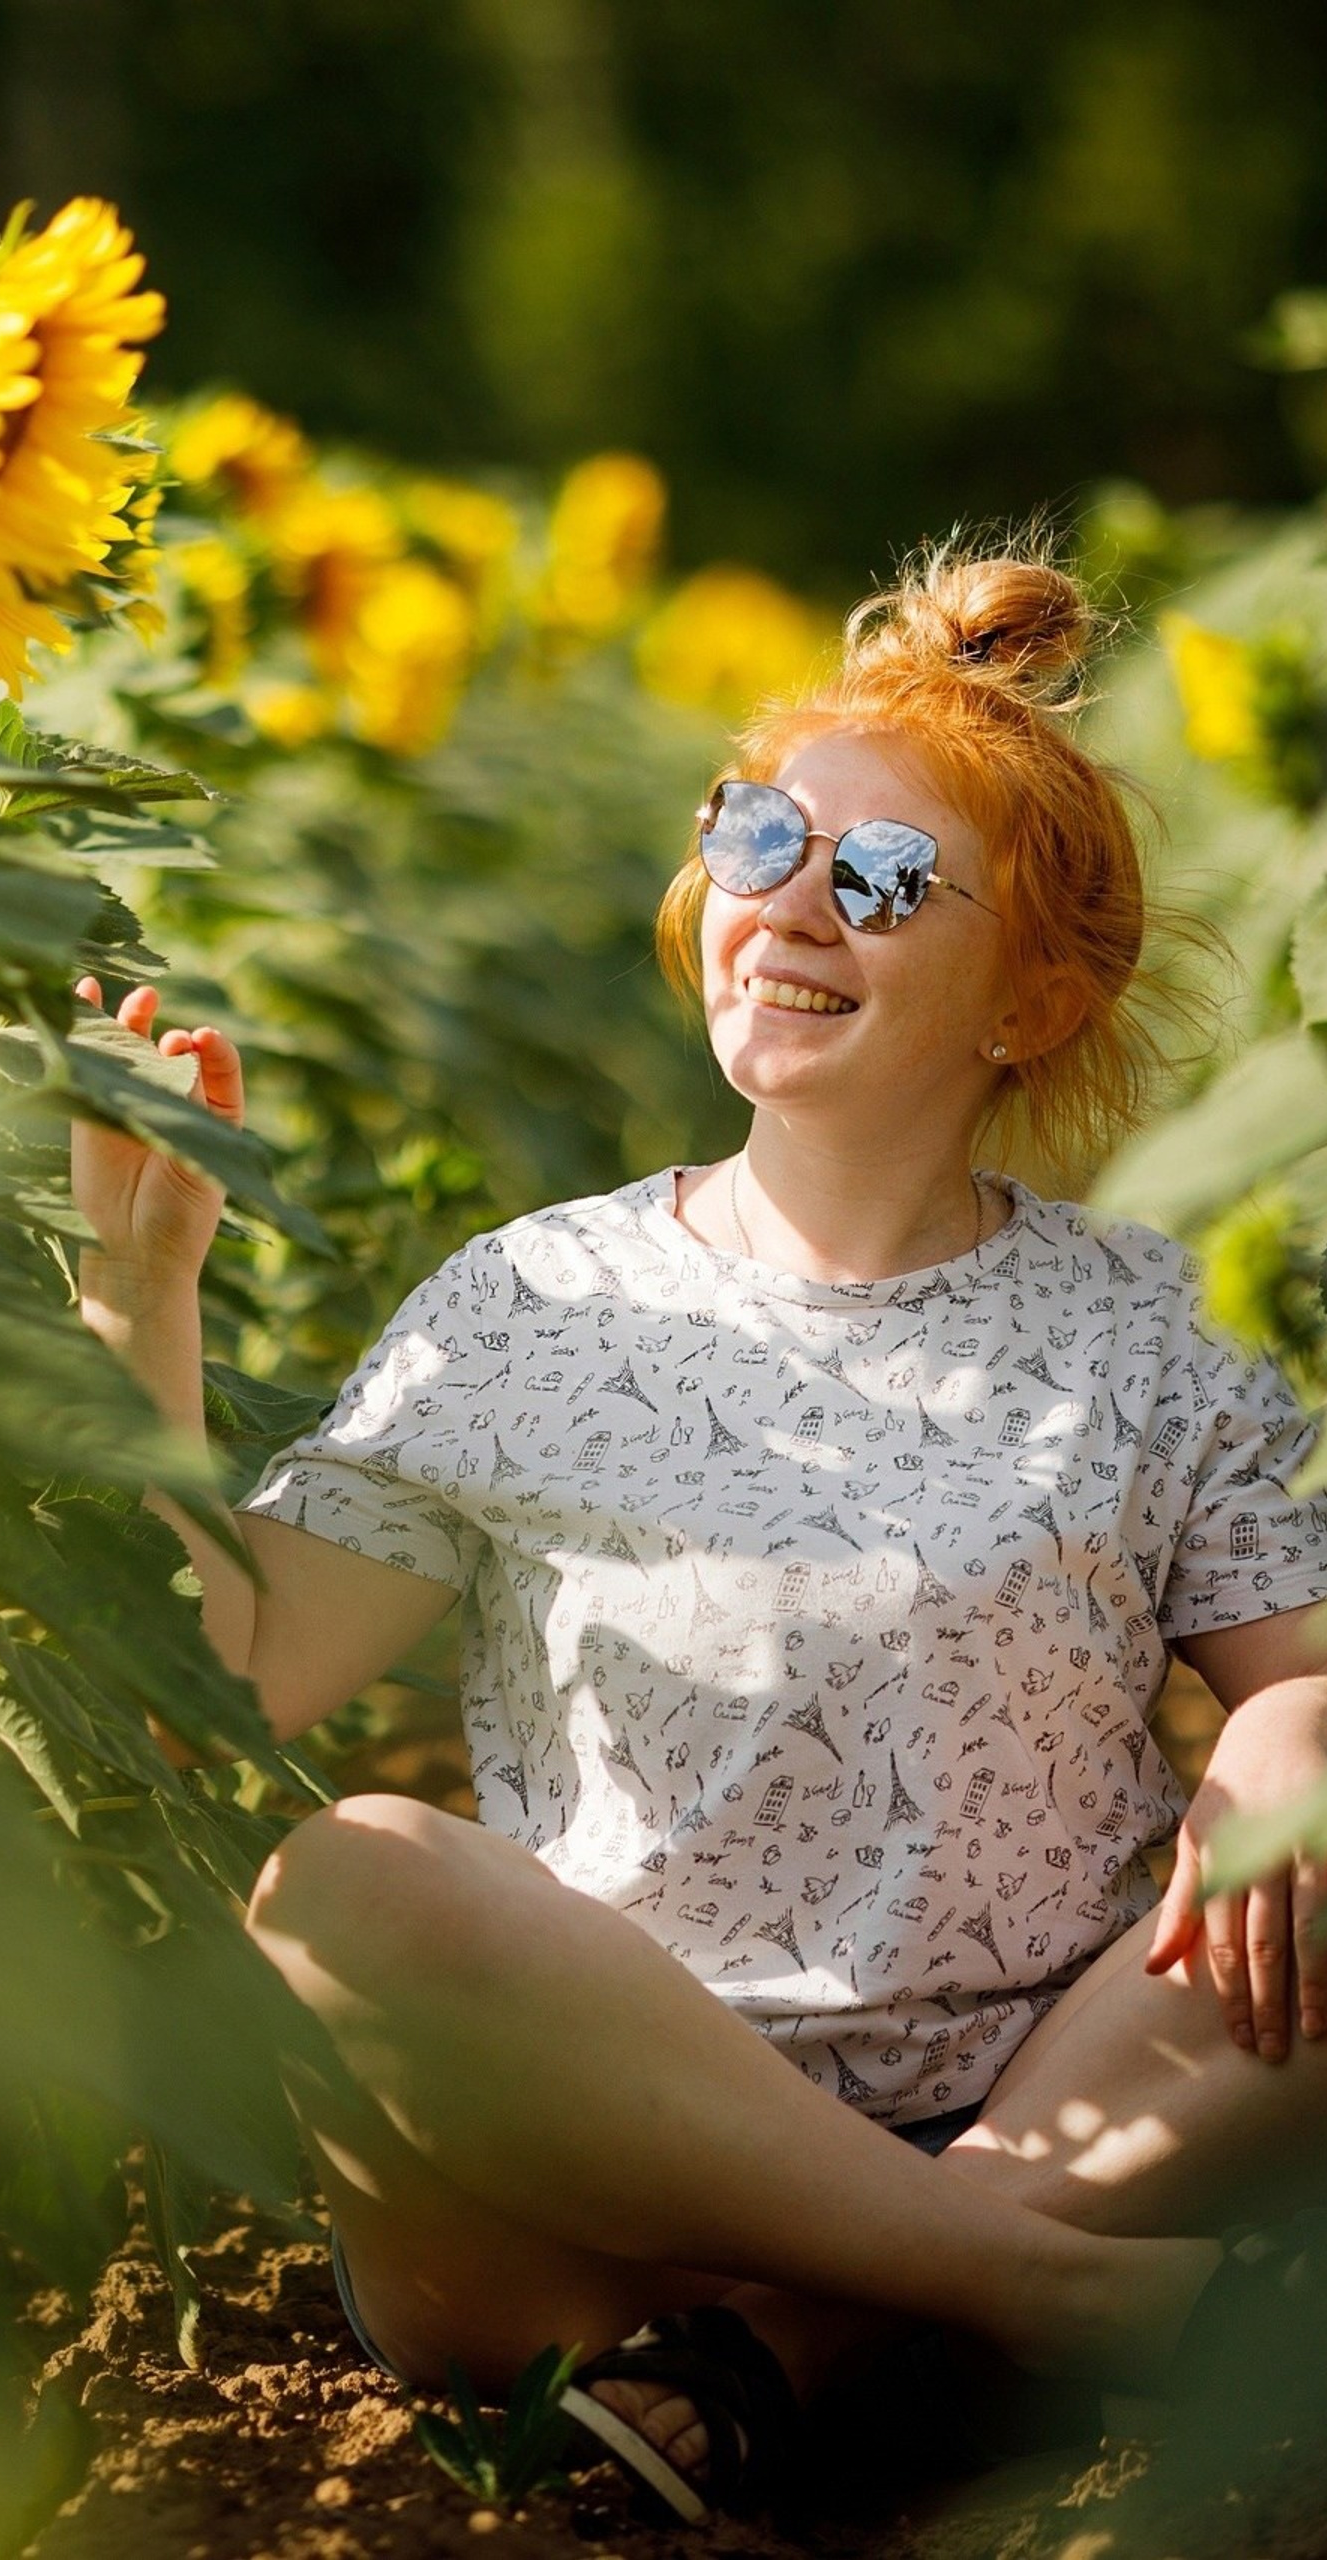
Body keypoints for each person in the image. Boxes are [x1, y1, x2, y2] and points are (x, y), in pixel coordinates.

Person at [69, 547, 1327, 2520]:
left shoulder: (1140, 1324)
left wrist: (1283, 1738)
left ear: (1033, 993)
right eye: (760, 835)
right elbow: (205, 1687)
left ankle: (829, 2338)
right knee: (344, 1882)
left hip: (1059, 2116)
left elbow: (1305, 1678)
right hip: (590, 2228)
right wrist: (139, 1318)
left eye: (885, 880)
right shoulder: (526, 1301)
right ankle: (1013, 2303)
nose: (790, 905)